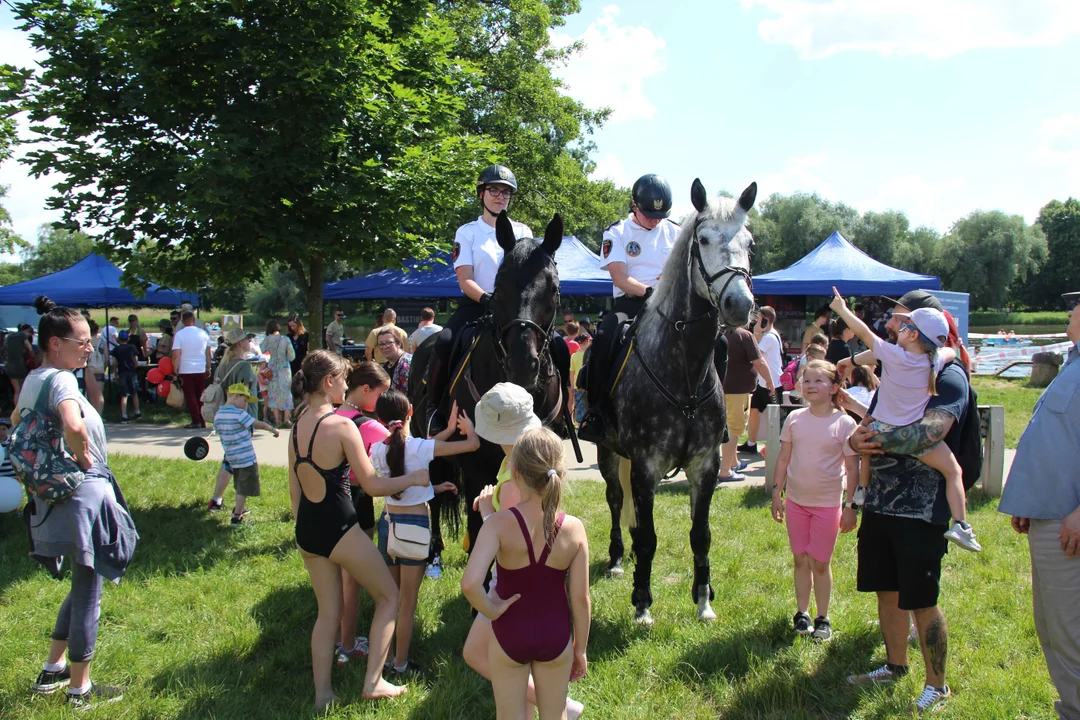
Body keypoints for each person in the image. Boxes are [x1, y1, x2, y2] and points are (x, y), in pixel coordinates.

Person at [843, 289, 971, 716]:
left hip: (922, 509)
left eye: (902, 319)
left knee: (921, 598)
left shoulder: (948, 375)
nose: (895, 325)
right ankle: (895, 666)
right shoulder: (898, 365)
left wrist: (872, 439)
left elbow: (929, 433)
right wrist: (854, 437)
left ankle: (938, 685)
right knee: (887, 591)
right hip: (880, 501)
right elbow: (873, 418)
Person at [289, 350, 432, 708]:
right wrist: (412, 477)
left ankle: (323, 696)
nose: (346, 384)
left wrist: (306, 531)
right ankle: (374, 680)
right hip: (339, 524)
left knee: (327, 614)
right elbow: (371, 484)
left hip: (307, 527)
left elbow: (294, 492)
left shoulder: (297, 424)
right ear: (328, 382)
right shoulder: (341, 425)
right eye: (342, 378)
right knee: (389, 597)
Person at [19, 295, 137, 710]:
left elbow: (17, 424)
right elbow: (72, 422)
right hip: (80, 493)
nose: (90, 348)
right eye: (82, 342)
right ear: (55, 343)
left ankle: (52, 670)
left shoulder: (35, 379)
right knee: (91, 585)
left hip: (56, 496)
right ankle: (79, 690)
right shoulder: (62, 380)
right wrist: (84, 457)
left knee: (82, 580)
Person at [461, 383, 585, 719]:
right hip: (554, 625)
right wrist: (581, 649)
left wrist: (489, 516)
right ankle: (556, 706)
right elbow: (581, 597)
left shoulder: (505, 506)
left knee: (500, 694)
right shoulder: (574, 526)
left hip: (511, 601)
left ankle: (557, 706)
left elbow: (517, 535)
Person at [829, 289, 977, 552]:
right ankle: (962, 525)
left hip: (918, 514)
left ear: (912, 333)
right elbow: (949, 353)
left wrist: (842, 309)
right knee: (953, 470)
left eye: (900, 321)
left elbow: (864, 333)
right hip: (892, 490)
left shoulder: (896, 357)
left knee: (866, 444)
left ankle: (860, 491)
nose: (890, 325)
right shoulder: (934, 360)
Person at [998, 290, 1080, 720]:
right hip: (1052, 518)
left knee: (1071, 632)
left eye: (1078, 303)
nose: (1071, 309)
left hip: (1072, 525)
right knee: (1053, 629)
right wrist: (1030, 500)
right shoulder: (1073, 364)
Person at [372, 391, 476, 676]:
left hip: (388, 525)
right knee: (407, 603)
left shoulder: (377, 450)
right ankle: (401, 665)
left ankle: (384, 659)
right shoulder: (419, 448)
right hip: (414, 529)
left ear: (378, 419)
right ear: (410, 414)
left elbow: (412, 459)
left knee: (389, 599)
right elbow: (471, 446)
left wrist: (434, 488)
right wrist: (468, 429)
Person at [426, 165, 533, 421]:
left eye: (506, 192)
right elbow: (465, 279)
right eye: (494, 190)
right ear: (481, 194)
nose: (500, 196)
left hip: (515, 313)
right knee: (444, 341)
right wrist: (488, 299)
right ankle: (434, 408)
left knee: (557, 347)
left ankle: (559, 413)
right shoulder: (467, 232)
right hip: (477, 305)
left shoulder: (523, 232)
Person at [578, 173, 680, 441]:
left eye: (660, 214)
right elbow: (620, 278)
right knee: (605, 336)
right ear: (634, 204)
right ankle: (596, 413)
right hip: (631, 303)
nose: (655, 220)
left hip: (672, 304)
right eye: (649, 214)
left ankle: (711, 411)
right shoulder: (617, 231)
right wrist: (650, 290)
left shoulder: (676, 231)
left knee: (716, 341)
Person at [770, 360, 859, 642]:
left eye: (818, 381)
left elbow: (853, 468)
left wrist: (850, 507)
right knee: (800, 559)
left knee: (820, 563)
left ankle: (823, 617)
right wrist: (776, 493)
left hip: (828, 506)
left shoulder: (844, 423)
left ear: (834, 388)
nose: (810, 386)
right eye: (806, 381)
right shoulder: (795, 419)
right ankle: (802, 613)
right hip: (796, 502)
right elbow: (783, 458)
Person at [334, 361, 392, 665]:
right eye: (381, 395)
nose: (382, 401)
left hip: (327, 501)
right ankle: (347, 643)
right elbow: (402, 449)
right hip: (356, 502)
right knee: (351, 579)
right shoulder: (366, 425)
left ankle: (332, 635)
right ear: (366, 389)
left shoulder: (331, 415)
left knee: (332, 577)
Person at [207, 328, 260, 513]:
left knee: (229, 459)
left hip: (225, 416)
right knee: (236, 462)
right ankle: (236, 508)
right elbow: (243, 395)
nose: (250, 342)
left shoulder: (224, 363)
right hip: (240, 418)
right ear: (240, 344)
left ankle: (217, 500)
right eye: (247, 339)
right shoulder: (243, 366)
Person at [213, 383, 279, 526]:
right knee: (243, 489)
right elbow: (257, 424)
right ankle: (237, 516)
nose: (245, 406)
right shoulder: (239, 414)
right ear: (235, 396)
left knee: (238, 484)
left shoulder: (219, 414)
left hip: (231, 458)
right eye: (244, 401)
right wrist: (272, 429)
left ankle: (240, 508)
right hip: (246, 459)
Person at [719, 324, 769, 481]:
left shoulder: (718, 331)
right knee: (733, 429)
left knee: (726, 427)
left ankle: (733, 462)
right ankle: (725, 471)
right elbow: (759, 362)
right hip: (737, 390)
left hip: (717, 389)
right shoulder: (743, 335)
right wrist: (770, 381)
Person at [739, 307, 781, 456]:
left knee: (774, 417)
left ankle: (775, 446)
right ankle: (751, 443)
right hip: (763, 382)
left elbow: (755, 355)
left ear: (765, 320)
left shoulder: (769, 337)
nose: (755, 322)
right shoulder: (770, 335)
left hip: (772, 383)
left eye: (758, 319)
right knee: (754, 411)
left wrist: (756, 331)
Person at [171, 311, 212, 429]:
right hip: (200, 368)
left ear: (183, 321)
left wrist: (175, 370)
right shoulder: (203, 333)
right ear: (193, 320)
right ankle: (203, 420)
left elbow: (176, 355)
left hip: (186, 369)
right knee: (200, 395)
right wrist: (208, 367)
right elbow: (208, 352)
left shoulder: (180, 334)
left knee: (190, 396)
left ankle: (196, 420)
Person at [262, 320, 297, 427]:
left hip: (272, 368)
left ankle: (277, 421)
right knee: (286, 392)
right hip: (284, 368)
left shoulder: (267, 340)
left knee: (273, 393)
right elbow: (292, 357)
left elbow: (262, 350)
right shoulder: (285, 339)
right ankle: (287, 419)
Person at [110, 336, 142, 422]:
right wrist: (135, 366)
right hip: (132, 372)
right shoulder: (132, 347)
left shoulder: (116, 349)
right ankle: (137, 412)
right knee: (134, 392)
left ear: (119, 339)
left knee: (124, 395)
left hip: (122, 372)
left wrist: (115, 374)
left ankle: (124, 415)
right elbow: (136, 360)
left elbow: (114, 363)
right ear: (128, 339)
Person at [5, 323, 34, 403]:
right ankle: (22, 410)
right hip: (20, 366)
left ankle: (16, 411)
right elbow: (30, 349)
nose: (30, 335)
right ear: (26, 330)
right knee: (23, 389)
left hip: (10, 367)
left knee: (17, 391)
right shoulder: (22, 336)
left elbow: (5, 349)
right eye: (30, 332)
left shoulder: (9, 336)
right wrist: (33, 358)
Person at [378, 328, 411, 395]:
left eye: (388, 343)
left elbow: (405, 394)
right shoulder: (387, 364)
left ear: (398, 343)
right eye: (381, 344)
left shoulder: (406, 363)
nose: (384, 347)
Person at [569, 333, 591, 426]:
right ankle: (588, 424)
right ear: (586, 341)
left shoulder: (574, 356)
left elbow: (572, 372)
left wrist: (572, 386)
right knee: (589, 406)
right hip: (589, 385)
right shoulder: (590, 355)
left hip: (578, 385)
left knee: (580, 407)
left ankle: (581, 425)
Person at [84, 320, 105, 414]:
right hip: (100, 369)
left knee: (90, 394)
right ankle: (99, 415)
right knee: (99, 394)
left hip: (89, 369)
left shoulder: (87, 342)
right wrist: (105, 367)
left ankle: (90, 415)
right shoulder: (102, 341)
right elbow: (107, 357)